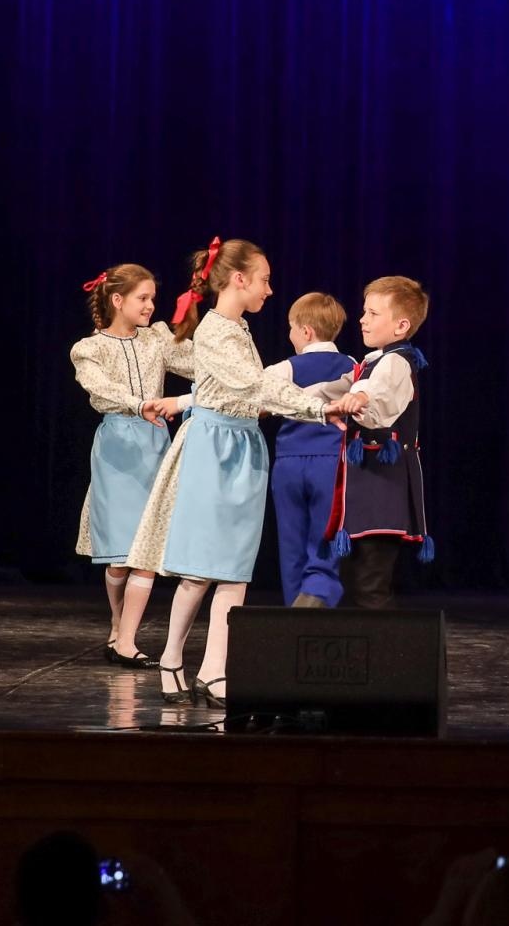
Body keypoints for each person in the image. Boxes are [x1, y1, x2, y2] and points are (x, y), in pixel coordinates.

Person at [128, 237, 345, 709]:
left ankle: (215, 669)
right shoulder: (215, 331)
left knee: (234, 571)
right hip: (215, 450)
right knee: (202, 566)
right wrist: (319, 408)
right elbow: (251, 386)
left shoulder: (237, 329)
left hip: (242, 445)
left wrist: (185, 399)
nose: (270, 289)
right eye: (264, 280)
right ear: (239, 279)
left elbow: (223, 389)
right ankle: (171, 659)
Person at [71, 264, 193, 668]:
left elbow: (195, 364)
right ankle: (117, 623)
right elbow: (99, 386)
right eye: (142, 298)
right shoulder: (90, 348)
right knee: (120, 555)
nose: (150, 305)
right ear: (117, 300)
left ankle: (125, 640)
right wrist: (139, 403)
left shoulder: (156, 338)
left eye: (152, 298)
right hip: (118, 447)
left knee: (147, 547)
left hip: (155, 444)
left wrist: (200, 325)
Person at [313, 276, 436, 609]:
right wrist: (289, 400)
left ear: (401, 326)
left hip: (384, 483)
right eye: (364, 311)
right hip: (366, 481)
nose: (362, 319)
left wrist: (360, 397)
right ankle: (368, 650)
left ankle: (383, 654)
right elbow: (333, 389)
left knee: (371, 581)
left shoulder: (396, 362)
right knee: (359, 577)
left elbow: (377, 396)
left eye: (372, 313)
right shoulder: (371, 361)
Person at [263, 292, 357, 607]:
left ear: (306, 332)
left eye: (291, 328)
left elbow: (257, 398)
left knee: (291, 541)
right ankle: (318, 595)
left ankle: (295, 608)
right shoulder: (353, 366)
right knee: (324, 536)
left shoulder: (283, 368)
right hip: (330, 462)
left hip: (289, 463)